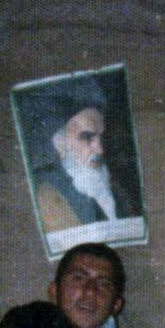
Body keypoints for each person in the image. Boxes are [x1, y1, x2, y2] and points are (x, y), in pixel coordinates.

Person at [27, 78, 140, 233]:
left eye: (101, 136)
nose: (100, 149)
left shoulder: (114, 184)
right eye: (87, 137)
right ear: (61, 140)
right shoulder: (45, 191)